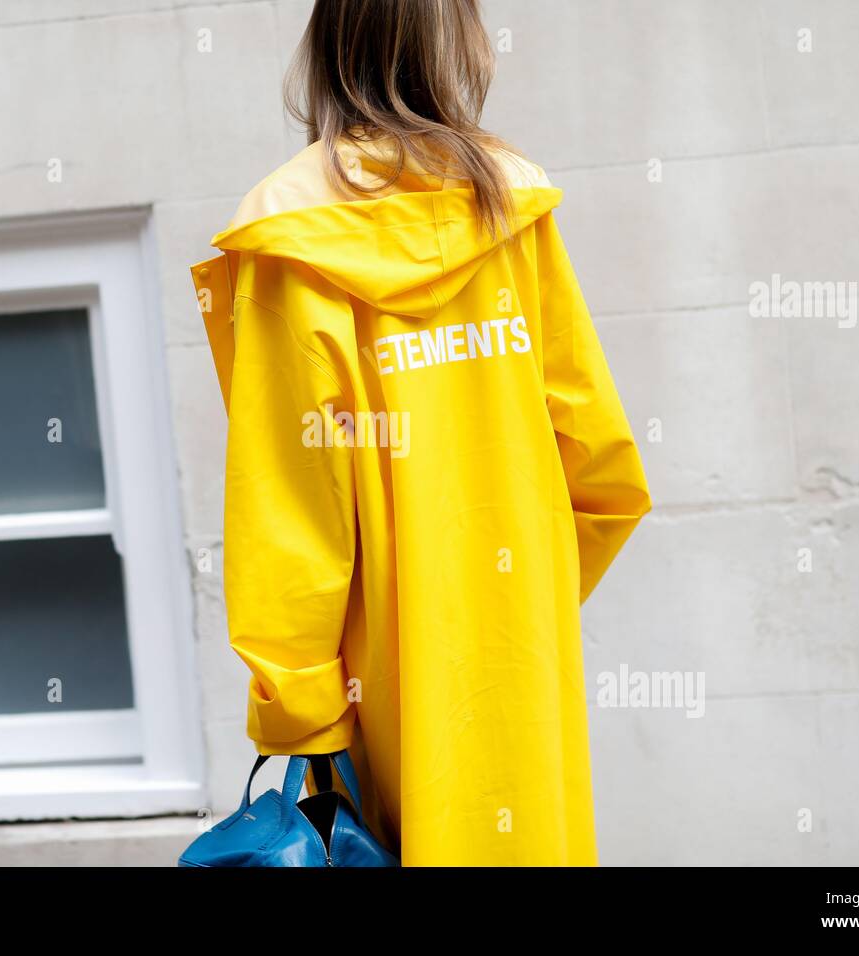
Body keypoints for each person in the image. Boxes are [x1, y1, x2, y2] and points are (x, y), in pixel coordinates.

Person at [190, 0, 651, 866]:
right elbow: (604, 475)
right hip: (518, 678)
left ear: (326, 44)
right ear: (460, 43)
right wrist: (505, 606)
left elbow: (292, 508)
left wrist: (302, 709)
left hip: (377, 698)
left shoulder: (290, 233)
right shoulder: (512, 207)